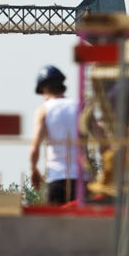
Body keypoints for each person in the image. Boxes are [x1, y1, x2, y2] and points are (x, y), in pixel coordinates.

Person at [28, 64, 79, 205]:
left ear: (43, 89)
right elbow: (102, 140)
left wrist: (33, 169)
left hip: (57, 178)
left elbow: (34, 148)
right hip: (81, 179)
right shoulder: (80, 106)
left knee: (57, 225)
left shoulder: (44, 110)